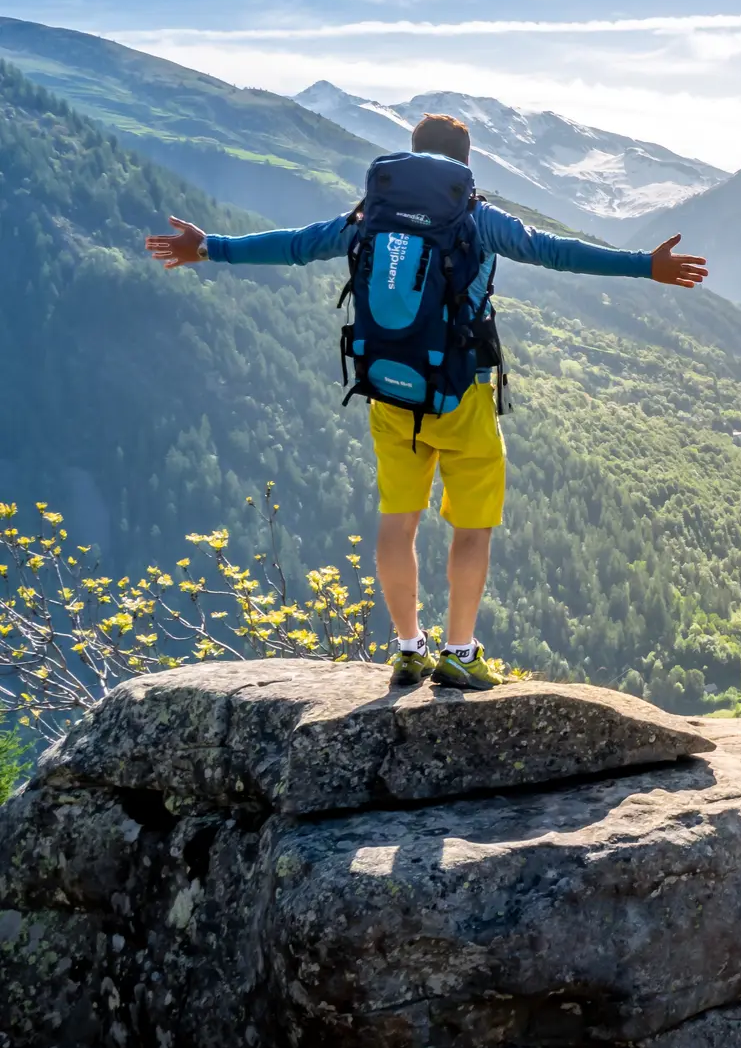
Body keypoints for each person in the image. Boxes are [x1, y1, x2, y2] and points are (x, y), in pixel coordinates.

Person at [145, 113, 708, 690]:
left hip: (388, 388)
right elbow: (554, 252)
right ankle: (458, 652)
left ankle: (408, 649)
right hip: (462, 393)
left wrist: (209, 247)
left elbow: (295, 245)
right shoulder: (477, 217)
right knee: (472, 526)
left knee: (399, 520)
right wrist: (647, 266)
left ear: (412, 154)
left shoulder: (370, 215)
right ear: (465, 163)